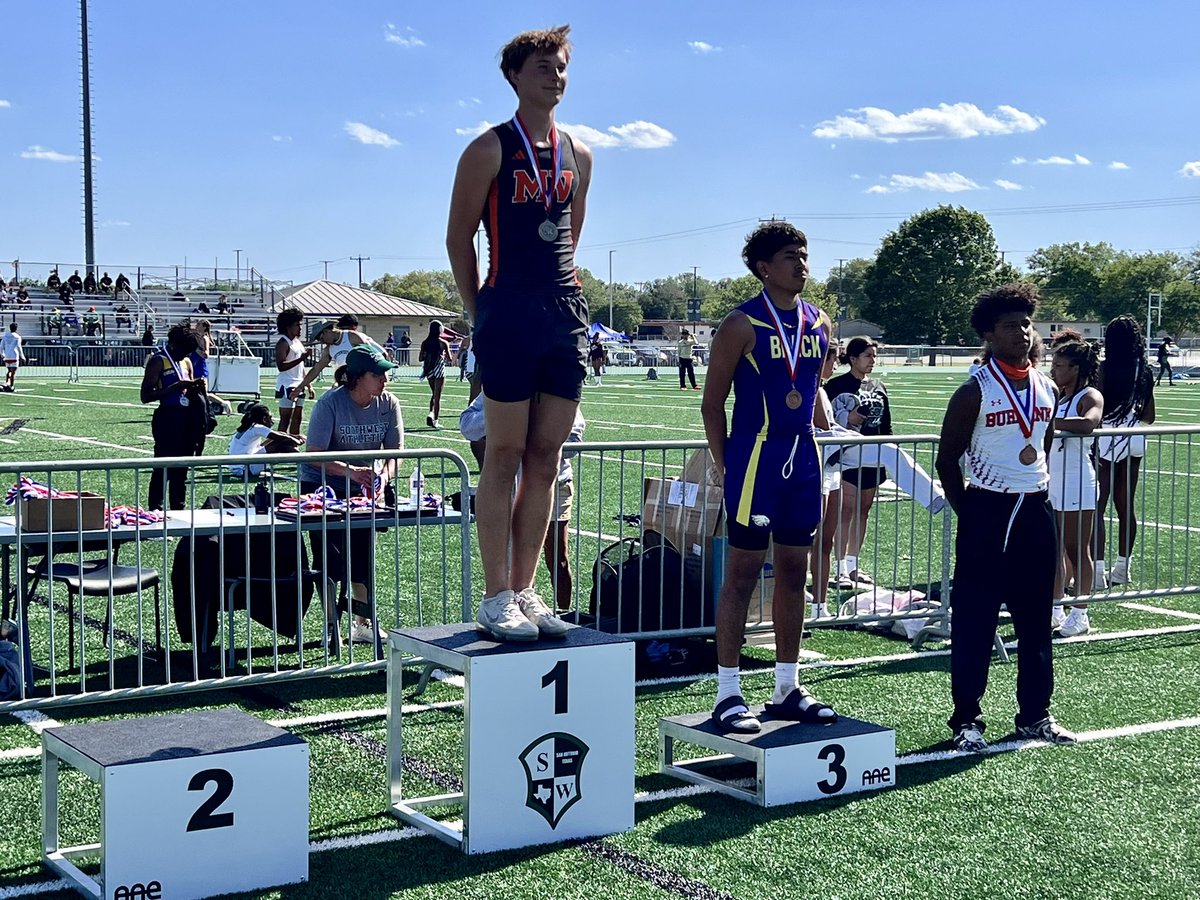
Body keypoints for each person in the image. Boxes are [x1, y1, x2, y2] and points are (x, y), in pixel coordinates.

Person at [446, 24, 592, 641]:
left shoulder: (580, 155)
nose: (554, 76)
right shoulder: (488, 149)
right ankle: (496, 592)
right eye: (542, 67)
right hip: (506, 308)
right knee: (503, 452)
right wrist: (482, 313)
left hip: (563, 310)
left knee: (546, 457)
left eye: (560, 67)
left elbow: (571, 237)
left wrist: (560, 299)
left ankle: (527, 590)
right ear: (513, 76)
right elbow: (459, 240)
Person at [700, 221, 836, 733]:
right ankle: (729, 692)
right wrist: (725, 463)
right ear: (763, 268)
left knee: (794, 573)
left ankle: (786, 686)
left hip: (802, 457)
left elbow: (810, 386)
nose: (802, 265)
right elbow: (712, 404)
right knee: (741, 572)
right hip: (754, 460)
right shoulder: (741, 324)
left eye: (804, 255)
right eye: (790, 257)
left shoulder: (820, 322)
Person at [934, 282, 1076, 754]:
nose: (1023, 332)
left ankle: (1035, 715)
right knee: (975, 619)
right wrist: (970, 513)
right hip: (988, 508)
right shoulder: (974, 390)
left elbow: (1045, 441)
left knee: (1036, 617)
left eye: (1027, 323)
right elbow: (947, 458)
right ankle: (966, 720)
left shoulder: (1047, 385)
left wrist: (1036, 485)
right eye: (1011, 325)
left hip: (1035, 507)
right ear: (989, 335)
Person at [301, 344, 403, 647]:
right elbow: (313, 456)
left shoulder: (389, 402)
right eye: (378, 373)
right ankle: (331, 625)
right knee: (328, 559)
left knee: (363, 556)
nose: (385, 379)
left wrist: (384, 476)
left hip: (364, 492)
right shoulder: (330, 404)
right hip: (322, 491)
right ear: (358, 377)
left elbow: (396, 451)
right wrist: (351, 471)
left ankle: (364, 623)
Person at [460, 394, 584, 610]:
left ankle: (565, 614)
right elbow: (467, 423)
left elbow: (574, 438)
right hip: (510, 485)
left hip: (556, 483)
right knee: (511, 558)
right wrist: (506, 422)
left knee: (558, 557)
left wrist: (539, 432)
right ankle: (514, 605)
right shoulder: (510, 379)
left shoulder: (556, 383)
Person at [824, 337, 891, 588]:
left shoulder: (878, 386)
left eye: (874, 356)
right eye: (867, 356)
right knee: (846, 510)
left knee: (863, 511)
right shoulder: (836, 385)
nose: (872, 361)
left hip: (873, 456)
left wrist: (888, 453)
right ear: (853, 359)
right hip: (846, 458)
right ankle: (839, 568)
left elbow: (886, 424)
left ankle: (853, 565)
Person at [1095, 315, 1156, 588]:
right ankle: (1122, 568)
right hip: (1133, 437)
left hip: (1107, 436)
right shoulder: (1144, 371)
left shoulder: (1103, 369)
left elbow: (1097, 410)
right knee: (1125, 506)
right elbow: (1150, 416)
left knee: (1097, 504)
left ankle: (1096, 572)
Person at [1047, 339, 1103, 637]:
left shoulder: (1088, 394)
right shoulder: (1057, 394)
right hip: (1052, 480)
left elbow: (1088, 423)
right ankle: (1056, 607)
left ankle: (1080, 613)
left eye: (1058, 365)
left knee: (1076, 548)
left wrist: (1047, 421)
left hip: (1077, 480)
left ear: (1076, 368)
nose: (1053, 370)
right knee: (1052, 548)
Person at [140, 324, 205, 511]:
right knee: (162, 467)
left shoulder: (186, 362)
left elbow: (189, 389)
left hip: (187, 418)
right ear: (174, 345)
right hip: (168, 418)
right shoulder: (158, 360)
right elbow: (145, 396)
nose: (186, 355)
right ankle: (156, 509)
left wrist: (197, 386)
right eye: (184, 351)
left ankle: (179, 509)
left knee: (182, 468)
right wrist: (175, 386)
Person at [289, 319, 371, 399]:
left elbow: (371, 356)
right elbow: (316, 369)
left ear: (326, 331)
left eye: (322, 339)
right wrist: (300, 387)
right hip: (346, 381)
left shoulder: (352, 337)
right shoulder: (328, 350)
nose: (322, 342)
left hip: (363, 380)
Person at [227, 402, 304, 477]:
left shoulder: (250, 426)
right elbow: (280, 437)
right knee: (280, 443)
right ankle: (305, 461)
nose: (272, 422)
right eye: (270, 418)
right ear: (264, 419)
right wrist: (296, 441)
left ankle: (303, 460)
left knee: (277, 441)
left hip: (240, 467)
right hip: (244, 469)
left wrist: (295, 436)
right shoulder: (257, 427)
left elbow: (279, 434)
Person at [273, 308, 308, 436]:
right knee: (285, 419)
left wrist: (308, 384)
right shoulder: (283, 343)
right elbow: (281, 366)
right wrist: (301, 358)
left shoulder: (297, 342)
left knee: (298, 417)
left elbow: (301, 366)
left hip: (299, 384)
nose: (300, 328)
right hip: (287, 384)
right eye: (297, 325)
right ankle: (280, 446)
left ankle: (293, 444)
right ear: (288, 327)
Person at [419, 320, 455, 428]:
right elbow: (450, 359)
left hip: (429, 369)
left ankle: (431, 413)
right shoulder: (443, 343)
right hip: (439, 369)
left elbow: (420, 358)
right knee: (437, 395)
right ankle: (435, 420)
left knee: (433, 393)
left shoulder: (425, 343)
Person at [0, 323, 27, 392]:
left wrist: (2, 354)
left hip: (7, 356)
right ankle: (11, 386)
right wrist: (22, 356)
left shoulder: (5, 336)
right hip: (14, 356)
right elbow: (19, 347)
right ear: (16, 328)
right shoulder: (17, 337)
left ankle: (7, 383)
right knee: (13, 372)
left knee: (9, 371)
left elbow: (1, 346)